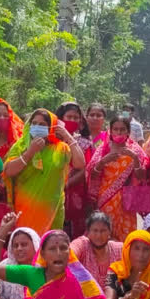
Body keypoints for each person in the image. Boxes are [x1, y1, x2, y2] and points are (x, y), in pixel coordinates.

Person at [4, 108, 85, 235]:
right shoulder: (20, 146)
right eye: (34, 123)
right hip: (26, 209)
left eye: (42, 125)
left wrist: (67, 136)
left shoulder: (60, 148)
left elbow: (80, 164)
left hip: (52, 211)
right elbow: (8, 171)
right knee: (27, 245)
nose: (37, 127)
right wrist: (30, 152)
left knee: (51, 246)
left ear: (50, 127)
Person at [87, 115, 148, 241]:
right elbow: (92, 174)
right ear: (110, 130)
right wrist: (103, 161)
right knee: (105, 235)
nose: (119, 132)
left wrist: (135, 159)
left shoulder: (135, 150)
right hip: (105, 200)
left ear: (128, 132)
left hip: (127, 202)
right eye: (115, 129)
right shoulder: (103, 149)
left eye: (122, 129)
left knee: (125, 237)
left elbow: (143, 177)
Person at [56, 102, 93, 239]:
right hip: (52, 190)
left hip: (76, 192)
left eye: (76, 118)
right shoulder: (52, 141)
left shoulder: (84, 143)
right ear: (61, 118)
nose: (72, 120)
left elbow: (85, 169)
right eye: (69, 117)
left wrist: (66, 184)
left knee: (75, 231)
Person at [70, 211, 124, 289]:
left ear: (109, 232)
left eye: (103, 231)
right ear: (88, 232)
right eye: (95, 231)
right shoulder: (83, 245)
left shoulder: (119, 249)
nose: (99, 236)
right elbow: (69, 252)